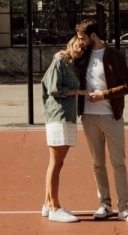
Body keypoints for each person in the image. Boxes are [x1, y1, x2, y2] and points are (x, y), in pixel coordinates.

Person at [74, 18, 128, 224]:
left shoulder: (114, 56)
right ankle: (105, 204)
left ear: (93, 36)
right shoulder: (82, 56)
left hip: (111, 117)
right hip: (88, 117)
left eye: (82, 38)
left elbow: (127, 86)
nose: (80, 42)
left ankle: (124, 208)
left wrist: (103, 95)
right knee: (98, 163)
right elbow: (67, 59)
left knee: (118, 163)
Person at [41, 36, 88, 223]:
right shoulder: (59, 61)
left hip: (67, 116)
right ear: (71, 43)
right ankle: (55, 208)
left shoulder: (72, 65)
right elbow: (54, 89)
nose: (80, 49)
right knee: (55, 163)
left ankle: (47, 204)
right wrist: (78, 92)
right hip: (58, 116)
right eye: (78, 45)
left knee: (59, 163)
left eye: (83, 48)